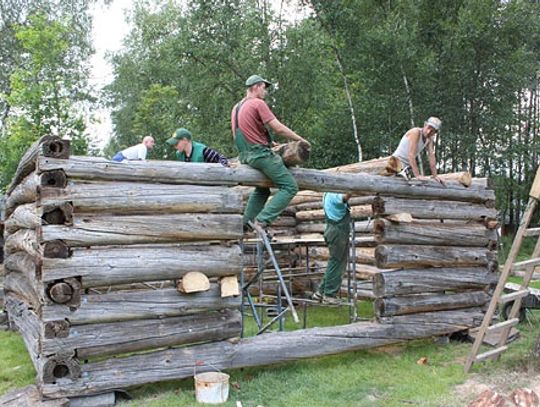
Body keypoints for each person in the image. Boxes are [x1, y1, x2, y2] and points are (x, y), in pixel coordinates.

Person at [231, 74, 310, 232]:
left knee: (263, 188)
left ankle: (246, 223)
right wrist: (300, 140)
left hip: (245, 155)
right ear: (256, 87)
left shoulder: (236, 107)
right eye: (263, 87)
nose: (265, 91)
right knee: (289, 187)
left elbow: (241, 132)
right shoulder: (258, 103)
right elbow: (278, 127)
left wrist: (268, 143)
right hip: (259, 155)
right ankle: (262, 220)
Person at [312, 192, 352, 305]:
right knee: (336, 264)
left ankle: (320, 292)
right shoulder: (332, 194)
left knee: (335, 263)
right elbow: (344, 197)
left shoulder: (327, 193)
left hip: (336, 231)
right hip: (337, 232)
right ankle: (329, 295)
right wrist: (353, 188)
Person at [391, 117, 444, 183]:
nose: (428, 132)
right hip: (395, 163)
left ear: (435, 132)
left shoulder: (429, 139)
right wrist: (417, 175)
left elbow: (431, 156)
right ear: (425, 124)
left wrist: (435, 175)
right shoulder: (416, 132)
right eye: (429, 128)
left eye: (432, 131)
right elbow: (411, 155)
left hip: (406, 167)